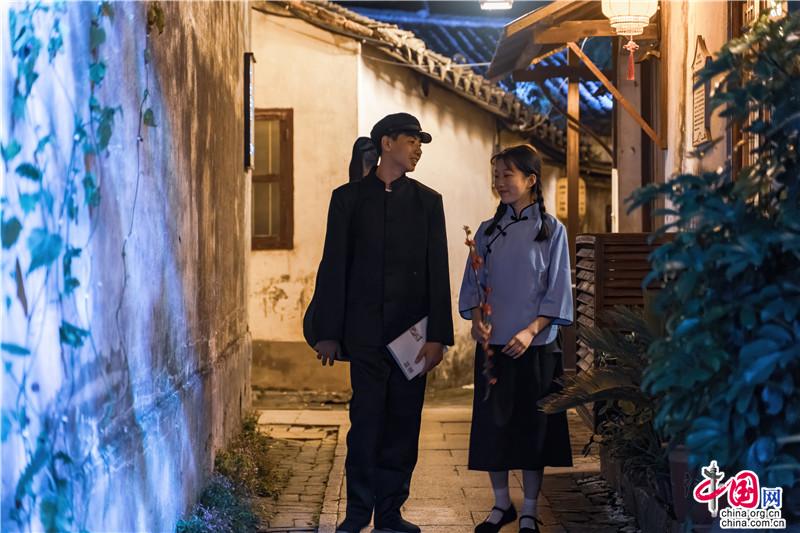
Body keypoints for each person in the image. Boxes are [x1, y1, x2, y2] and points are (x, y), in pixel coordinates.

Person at [311, 113, 454, 533]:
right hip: (365, 335)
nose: (418, 149)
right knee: (365, 425)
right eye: (412, 141)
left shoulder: (428, 202)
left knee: (404, 427)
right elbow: (334, 266)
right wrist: (328, 332)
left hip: (412, 338)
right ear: (386, 143)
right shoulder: (347, 199)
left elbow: (438, 272)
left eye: (420, 143)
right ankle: (358, 513)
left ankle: (390, 513)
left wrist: (439, 337)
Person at [458, 144, 574, 533]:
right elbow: (473, 283)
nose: (500, 182)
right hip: (494, 347)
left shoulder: (552, 230)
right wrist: (477, 322)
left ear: (531, 179)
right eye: (496, 176)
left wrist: (530, 330)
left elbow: (557, 290)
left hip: (536, 347)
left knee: (532, 431)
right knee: (493, 427)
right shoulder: (487, 232)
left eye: (508, 175)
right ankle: (501, 504)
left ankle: (530, 509)